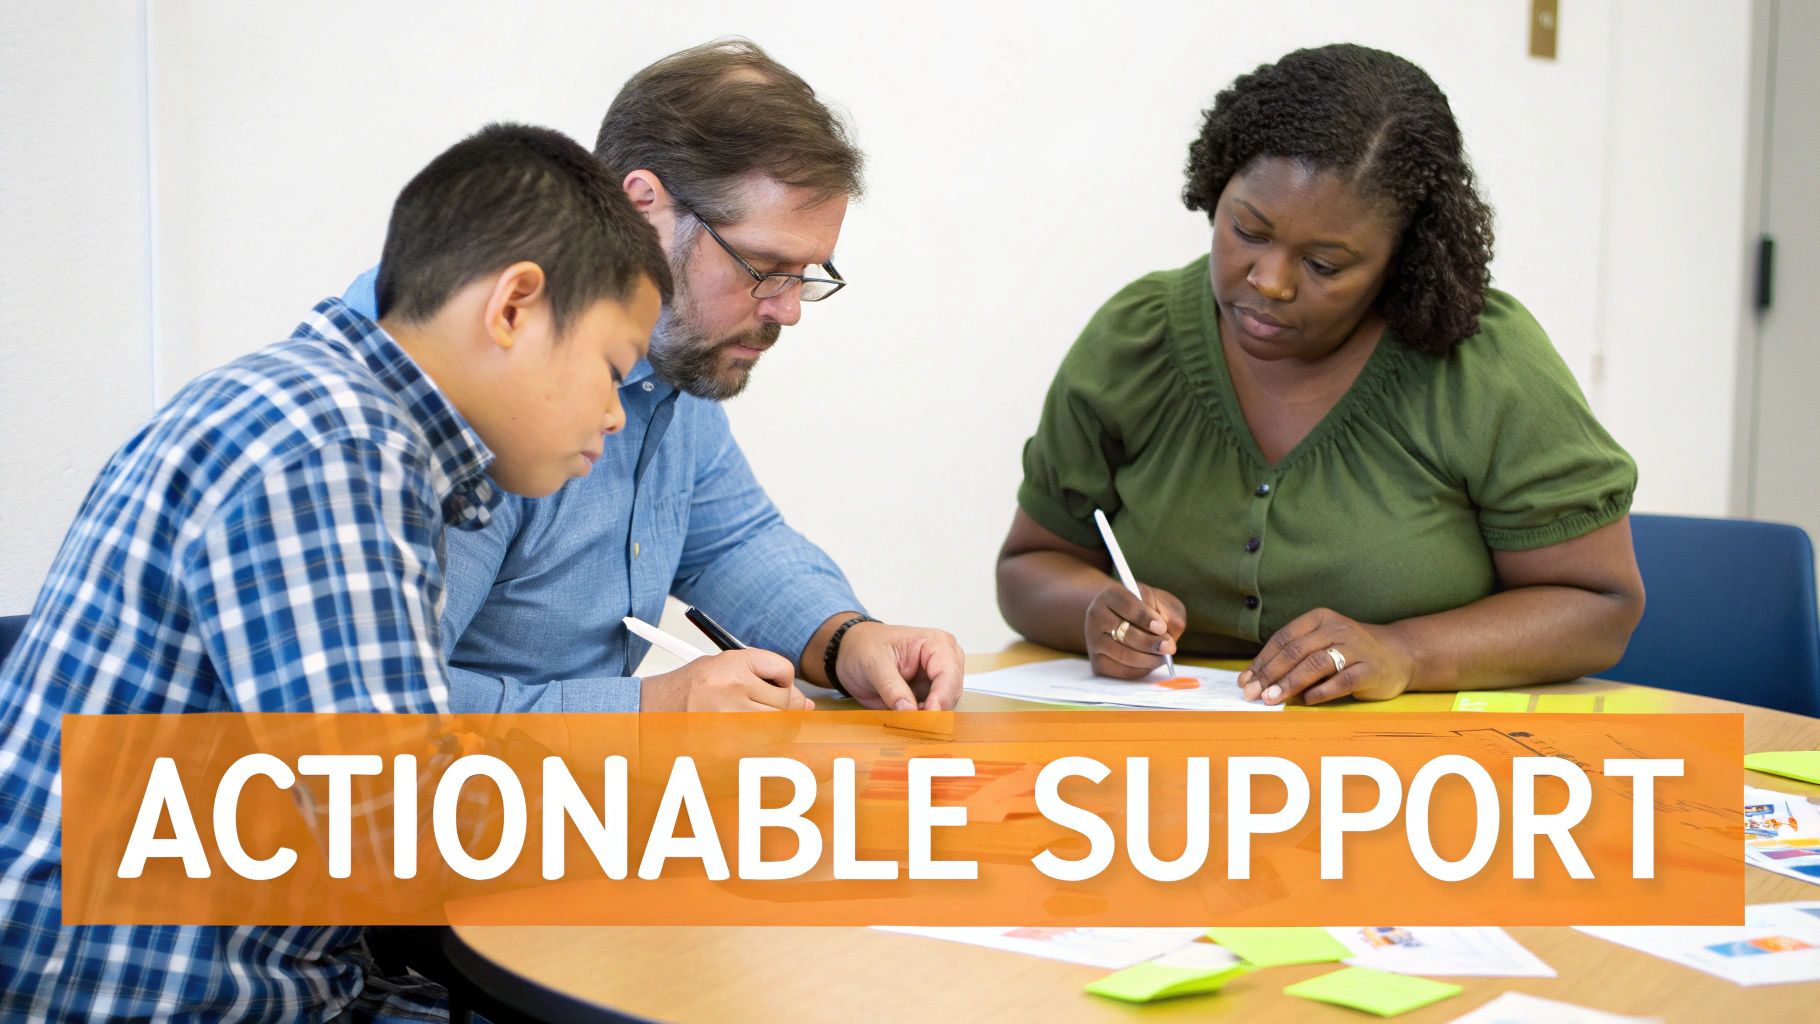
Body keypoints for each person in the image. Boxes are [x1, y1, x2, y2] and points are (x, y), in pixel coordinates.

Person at [0, 123, 695, 1021]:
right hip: (155, 994)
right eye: (610, 371)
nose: (613, 416)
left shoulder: (318, 408)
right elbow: (393, 832)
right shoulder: (337, 447)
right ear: (515, 306)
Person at [996, 44, 1645, 707]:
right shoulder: (1136, 338)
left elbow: (1599, 606)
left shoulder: (1483, 365)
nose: (1269, 282)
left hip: (1412, 779)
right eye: (1247, 230)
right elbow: (1028, 566)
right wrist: (1096, 615)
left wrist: (1407, 652)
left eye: (1325, 265)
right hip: (1165, 768)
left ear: (1403, 259)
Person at [345, 39, 964, 716]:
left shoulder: (674, 355)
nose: (787, 310)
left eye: (807, 276)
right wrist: (646, 714)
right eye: (763, 266)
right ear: (643, 207)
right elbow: (379, 708)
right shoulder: (472, 370)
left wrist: (848, 639)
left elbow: (731, 541)